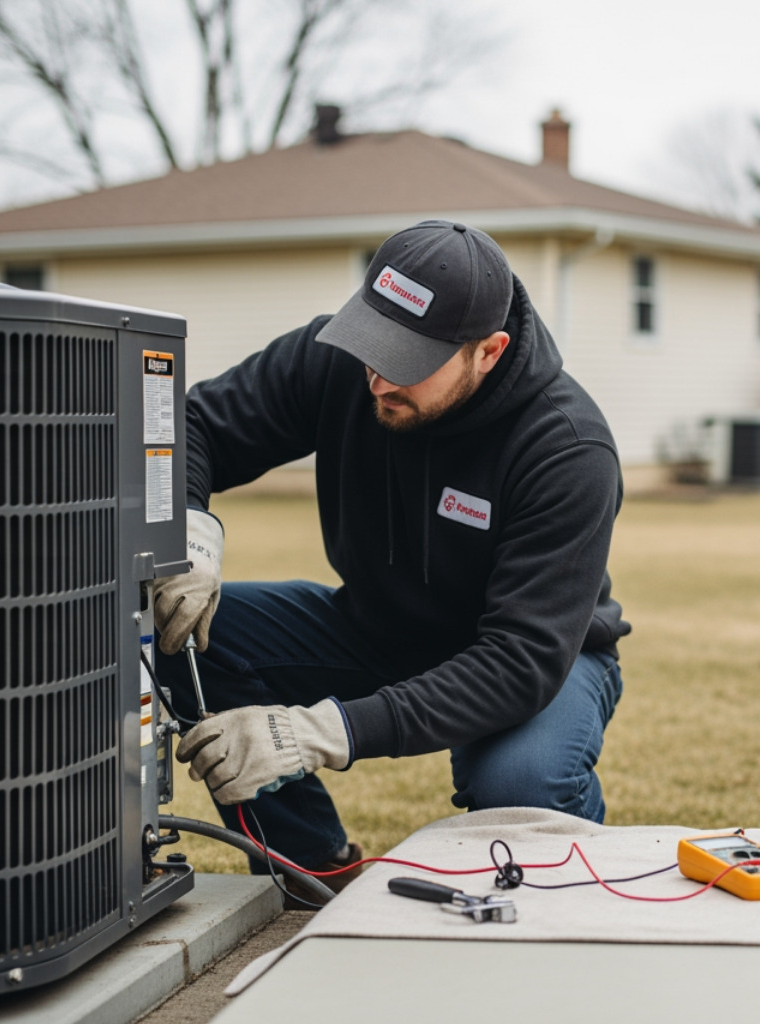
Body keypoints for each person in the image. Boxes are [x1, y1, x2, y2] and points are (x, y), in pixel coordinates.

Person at [154, 220, 629, 888]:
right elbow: (194, 424)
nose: (377, 379)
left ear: (488, 352)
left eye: (407, 363)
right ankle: (312, 873)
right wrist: (190, 524)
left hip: (533, 657)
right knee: (183, 634)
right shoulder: (341, 363)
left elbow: (519, 662)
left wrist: (320, 731)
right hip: (378, 627)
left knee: (520, 781)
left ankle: (577, 898)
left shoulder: (567, 449)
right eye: (375, 346)